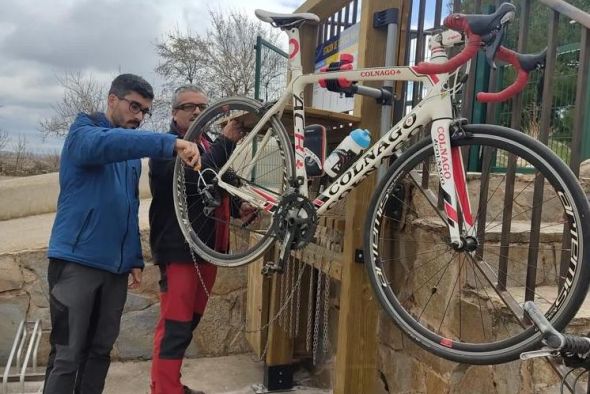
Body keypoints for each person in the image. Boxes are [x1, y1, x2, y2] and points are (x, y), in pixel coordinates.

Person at [44, 74, 201, 394]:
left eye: (144, 111)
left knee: (100, 352)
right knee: (67, 354)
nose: (139, 117)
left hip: (114, 271)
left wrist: (132, 257)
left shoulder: (129, 159)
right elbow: (105, 144)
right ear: (112, 100)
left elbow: (129, 208)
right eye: (134, 106)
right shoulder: (83, 131)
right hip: (76, 263)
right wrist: (169, 143)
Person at [149, 86, 255, 394]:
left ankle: (169, 384)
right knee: (174, 326)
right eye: (189, 106)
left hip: (208, 250)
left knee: (188, 324)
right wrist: (226, 141)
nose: (197, 112)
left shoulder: (206, 142)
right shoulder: (167, 146)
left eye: (203, 107)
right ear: (174, 113)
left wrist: (238, 206)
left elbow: (217, 186)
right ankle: (164, 390)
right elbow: (197, 180)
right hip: (180, 250)